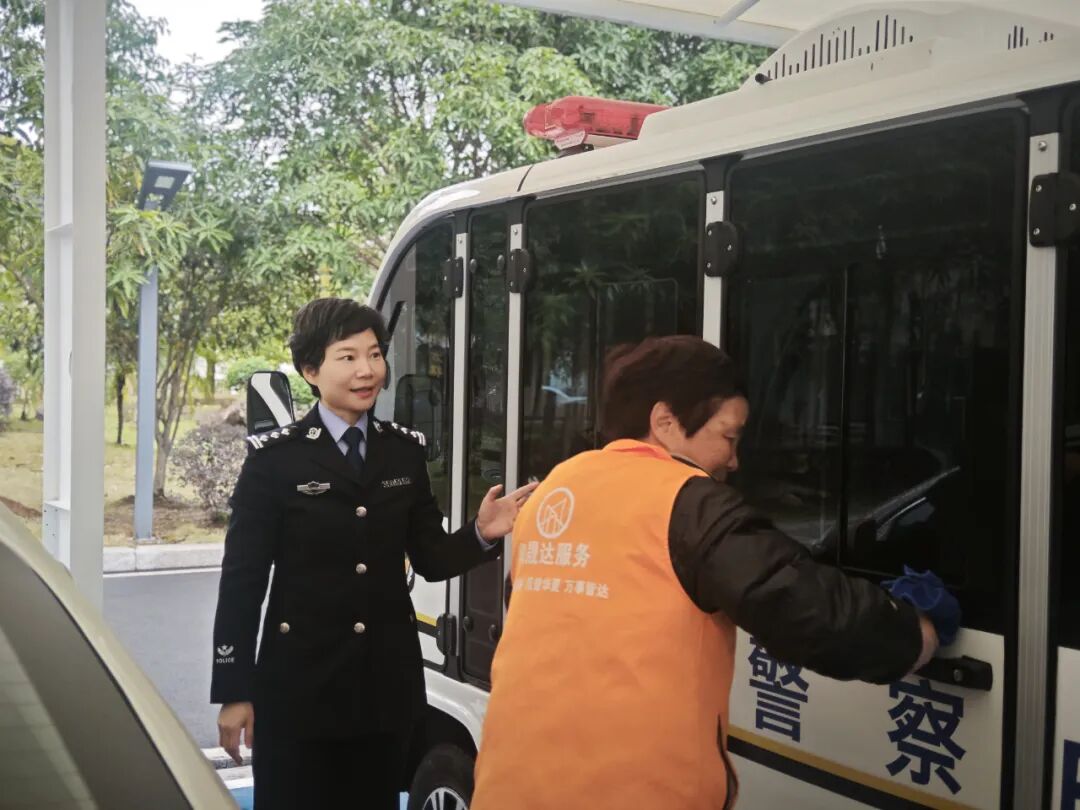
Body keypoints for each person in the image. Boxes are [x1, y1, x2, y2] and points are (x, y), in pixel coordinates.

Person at [472, 335, 952, 810]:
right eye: (729, 436)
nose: (735, 460)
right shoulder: (687, 501)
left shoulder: (555, 489)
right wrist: (914, 633)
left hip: (506, 789)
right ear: (665, 422)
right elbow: (805, 608)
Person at [210, 298, 537, 810]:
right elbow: (242, 583)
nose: (367, 371)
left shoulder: (402, 452)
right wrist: (234, 690)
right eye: (347, 357)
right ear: (311, 371)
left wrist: (480, 532)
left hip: (383, 693)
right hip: (299, 691)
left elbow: (430, 557)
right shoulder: (275, 462)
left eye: (375, 354)